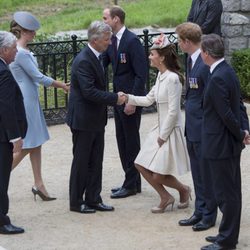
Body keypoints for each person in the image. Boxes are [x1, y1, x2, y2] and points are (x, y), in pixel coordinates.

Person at [120, 34, 191, 213]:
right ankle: (165, 196)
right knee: (140, 164)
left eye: (152, 54)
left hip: (168, 131)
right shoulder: (160, 77)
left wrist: (163, 136)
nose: (149, 57)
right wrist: (127, 97)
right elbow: (147, 100)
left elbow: (174, 111)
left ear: (162, 56)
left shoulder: (173, 79)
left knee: (159, 174)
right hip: (159, 129)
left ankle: (183, 189)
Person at [66, 20, 126, 214]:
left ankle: (93, 198)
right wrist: (115, 98)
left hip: (95, 119)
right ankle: (76, 201)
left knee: (96, 160)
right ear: (95, 40)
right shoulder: (84, 60)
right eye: (107, 39)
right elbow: (89, 92)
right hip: (83, 120)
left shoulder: (97, 56)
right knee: (82, 161)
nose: (109, 43)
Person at [9, 11, 69, 201]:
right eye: (32, 31)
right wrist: (62, 85)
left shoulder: (20, 51)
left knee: (36, 143)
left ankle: (39, 183)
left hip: (29, 99)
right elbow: (38, 77)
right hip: (26, 101)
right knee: (27, 145)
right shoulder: (20, 53)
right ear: (24, 31)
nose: (35, 34)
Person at [200, 34, 250, 250]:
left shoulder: (218, 77)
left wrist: (241, 132)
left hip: (221, 144)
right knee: (230, 191)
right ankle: (228, 234)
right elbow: (239, 105)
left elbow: (226, 113)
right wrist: (245, 129)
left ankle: (227, 240)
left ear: (207, 54)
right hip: (228, 143)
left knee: (226, 194)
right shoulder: (226, 71)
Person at [176, 22, 217, 231]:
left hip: (202, 128)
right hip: (193, 127)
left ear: (186, 42)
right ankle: (200, 210)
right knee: (198, 173)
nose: (178, 45)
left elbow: (209, 98)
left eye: (179, 41)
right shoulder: (192, 60)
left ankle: (208, 214)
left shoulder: (203, 63)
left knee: (205, 174)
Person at [102, 5, 147, 199]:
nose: (103, 21)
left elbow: (141, 74)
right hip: (118, 99)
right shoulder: (111, 40)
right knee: (122, 140)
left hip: (129, 100)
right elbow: (103, 61)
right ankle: (132, 182)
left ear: (116, 20)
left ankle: (131, 184)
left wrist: (133, 101)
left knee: (130, 141)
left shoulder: (132, 41)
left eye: (105, 18)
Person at [0, 31, 27, 234]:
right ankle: (2, 221)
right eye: (14, 48)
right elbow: (6, 106)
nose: (17, 51)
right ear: (4, 50)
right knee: (2, 179)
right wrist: (15, 136)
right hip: (2, 136)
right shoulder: (4, 72)